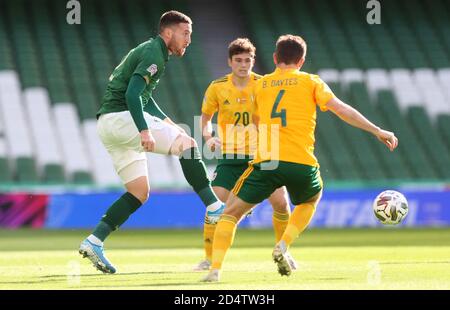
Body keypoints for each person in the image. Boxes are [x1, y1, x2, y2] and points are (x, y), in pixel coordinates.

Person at [202, 34, 398, 282]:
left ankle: (215, 270)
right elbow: (341, 109)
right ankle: (283, 244)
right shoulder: (311, 82)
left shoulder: (260, 85)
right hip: (302, 162)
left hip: (267, 161)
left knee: (229, 214)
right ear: (302, 61)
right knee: (310, 199)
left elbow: (255, 121)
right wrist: (377, 130)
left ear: (274, 58)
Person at [79, 10, 224, 274]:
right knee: (188, 144)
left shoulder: (152, 51)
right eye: (185, 33)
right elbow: (133, 94)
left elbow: (145, 97)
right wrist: (144, 130)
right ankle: (214, 207)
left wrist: (166, 122)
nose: (189, 40)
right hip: (123, 119)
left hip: (108, 125)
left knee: (139, 192)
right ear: (168, 32)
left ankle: (94, 241)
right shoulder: (154, 51)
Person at [195, 38, 294, 271]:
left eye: (247, 60)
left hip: (262, 154)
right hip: (230, 156)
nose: (243, 64)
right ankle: (209, 259)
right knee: (214, 207)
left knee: (281, 203)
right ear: (230, 62)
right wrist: (209, 138)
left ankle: (284, 252)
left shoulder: (264, 85)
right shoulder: (217, 87)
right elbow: (206, 119)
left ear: (253, 61)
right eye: (238, 60)